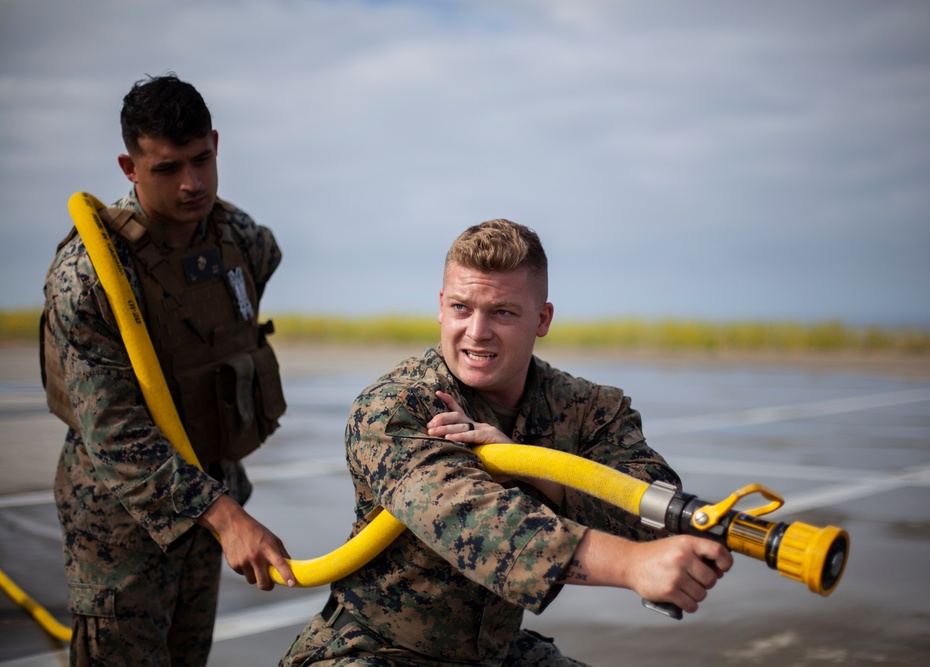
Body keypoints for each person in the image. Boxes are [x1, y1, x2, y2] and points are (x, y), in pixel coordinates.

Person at [281, 219, 733, 666]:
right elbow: (474, 520)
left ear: (542, 319)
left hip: (494, 655)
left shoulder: (588, 407)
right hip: (376, 650)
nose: (477, 331)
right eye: (461, 307)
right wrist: (632, 565)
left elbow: (656, 510)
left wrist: (534, 468)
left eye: (502, 312)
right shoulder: (396, 407)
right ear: (440, 306)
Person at [41, 73, 296, 666]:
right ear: (130, 167)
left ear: (215, 143)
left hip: (208, 499)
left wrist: (220, 510)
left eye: (202, 160)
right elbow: (116, 434)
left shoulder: (243, 239)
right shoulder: (88, 278)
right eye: (166, 168)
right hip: (122, 526)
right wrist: (230, 518)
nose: (192, 183)